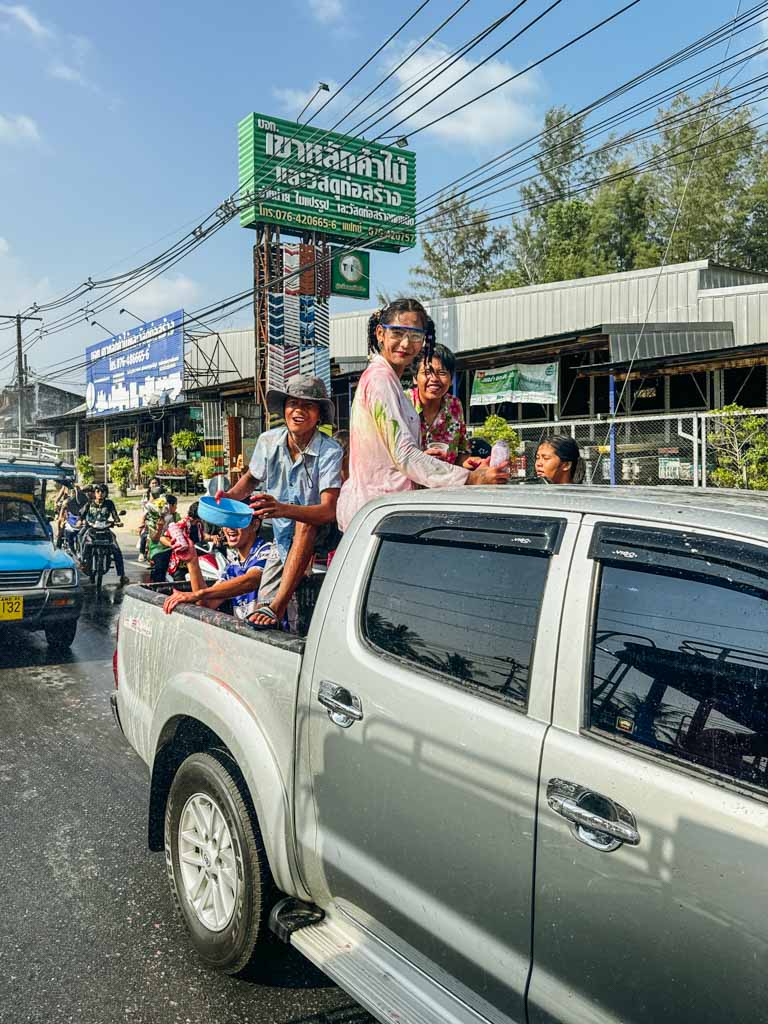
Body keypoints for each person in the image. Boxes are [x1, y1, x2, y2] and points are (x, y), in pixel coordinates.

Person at [337, 299, 510, 532]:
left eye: (415, 335)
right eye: (397, 332)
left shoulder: (392, 382)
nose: (406, 343)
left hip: (388, 507)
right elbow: (405, 456)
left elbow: (397, 455)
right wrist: (471, 478)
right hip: (380, 511)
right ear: (380, 333)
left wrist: (460, 465)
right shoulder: (380, 380)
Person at [216, 374, 343, 630]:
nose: (298, 411)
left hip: (319, 531)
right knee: (263, 601)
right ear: (284, 409)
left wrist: (283, 509)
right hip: (282, 534)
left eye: (308, 405)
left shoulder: (330, 450)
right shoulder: (268, 441)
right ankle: (271, 607)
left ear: (319, 414)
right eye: (293, 403)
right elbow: (251, 479)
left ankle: (278, 606)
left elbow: (328, 510)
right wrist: (229, 496)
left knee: (304, 524)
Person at [162, 512, 270, 621]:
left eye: (236, 521)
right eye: (226, 522)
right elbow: (206, 603)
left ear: (255, 525)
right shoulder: (232, 566)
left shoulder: (267, 551)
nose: (229, 528)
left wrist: (196, 594)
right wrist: (192, 560)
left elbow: (251, 581)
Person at [80, 483, 129, 585]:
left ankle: (122, 575)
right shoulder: (89, 503)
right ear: (94, 493)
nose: (100, 494)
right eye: (98, 491)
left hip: (106, 530)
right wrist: (80, 520)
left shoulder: (109, 503)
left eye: (103, 491)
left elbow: (115, 515)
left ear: (106, 493)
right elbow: (82, 514)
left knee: (116, 549)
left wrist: (118, 522)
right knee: (83, 540)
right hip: (91, 529)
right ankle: (82, 562)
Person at [148, 494, 179, 583]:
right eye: (175, 505)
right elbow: (155, 539)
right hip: (158, 549)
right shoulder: (153, 519)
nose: (176, 507)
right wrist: (159, 528)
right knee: (161, 566)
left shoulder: (176, 516)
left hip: (174, 547)